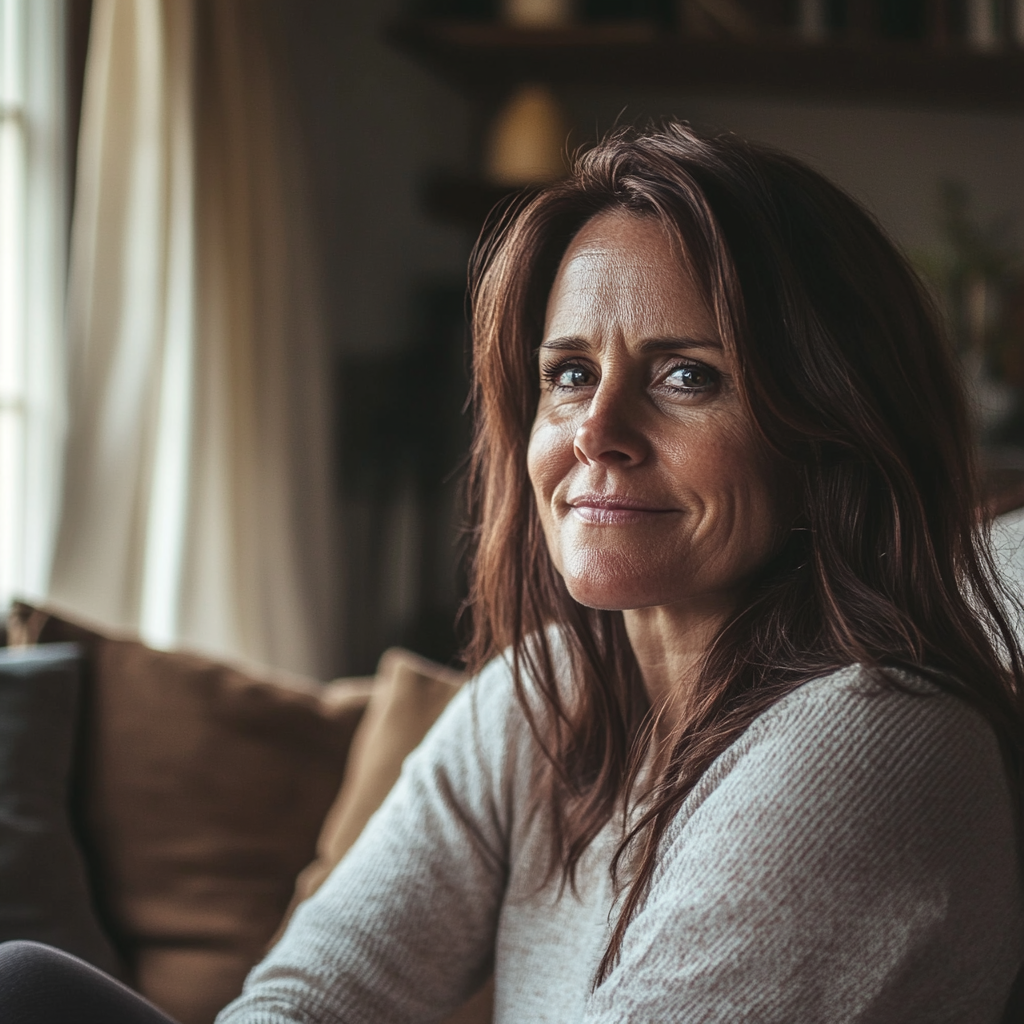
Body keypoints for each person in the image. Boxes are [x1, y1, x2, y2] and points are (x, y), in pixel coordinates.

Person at [4, 121, 1024, 1023]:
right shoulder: (542, 699)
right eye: (570, 373)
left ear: (829, 438)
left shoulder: (878, 740)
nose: (597, 433)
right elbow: (304, 998)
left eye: (686, 376)